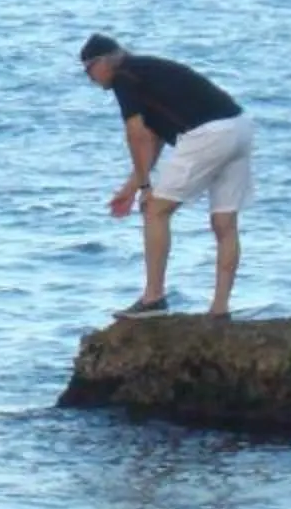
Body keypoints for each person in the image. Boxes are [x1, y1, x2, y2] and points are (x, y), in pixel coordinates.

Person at [78, 34, 256, 317]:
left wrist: (146, 188)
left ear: (104, 62)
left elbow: (136, 135)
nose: (89, 78)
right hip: (240, 126)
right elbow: (155, 137)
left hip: (209, 134)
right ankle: (220, 309)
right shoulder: (148, 71)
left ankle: (154, 298)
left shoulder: (124, 77)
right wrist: (132, 187)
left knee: (155, 211)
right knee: (225, 221)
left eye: (88, 70)